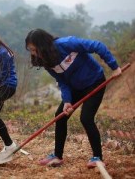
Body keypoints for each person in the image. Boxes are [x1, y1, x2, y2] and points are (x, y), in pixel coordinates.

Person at [24, 29, 122, 168]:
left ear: (42, 45)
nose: (33, 54)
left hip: (95, 82)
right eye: (31, 51)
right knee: (60, 115)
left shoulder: (67, 43)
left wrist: (114, 66)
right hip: (75, 88)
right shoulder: (47, 60)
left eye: (34, 50)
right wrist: (67, 101)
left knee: (86, 118)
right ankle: (57, 156)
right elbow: (62, 81)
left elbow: (97, 46)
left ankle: (97, 157)